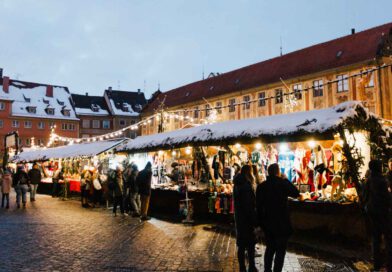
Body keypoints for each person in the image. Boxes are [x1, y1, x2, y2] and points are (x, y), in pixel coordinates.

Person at [256, 163, 300, 272]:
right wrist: (285, 179)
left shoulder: (261, 186)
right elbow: (296, 193)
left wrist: (260, 223)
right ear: (277, 172)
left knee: (270, 249)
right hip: (282, 223)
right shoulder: (282, 183)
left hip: (268, 223)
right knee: (280, 251)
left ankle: (267, 270)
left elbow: (258, 206)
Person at [363, 160, 392, 272]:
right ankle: (389, 265)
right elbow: (387, 197)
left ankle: (377, 265)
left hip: (372, 213)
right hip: (383, 213)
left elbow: (364, 196)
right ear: (378, 167)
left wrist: (367, 208)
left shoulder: (368, 180)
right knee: (388, 238)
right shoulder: (382, 180)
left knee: (376, 239)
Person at [233, 164, 258, 272]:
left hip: (239, 217)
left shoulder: (237, 184)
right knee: (250, 244)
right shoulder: (246, 186)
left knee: (241, 245)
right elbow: (249, 205)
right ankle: (251, 266)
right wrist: (254, 219)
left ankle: (242, 268)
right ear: (248, 172)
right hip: (247, 219)